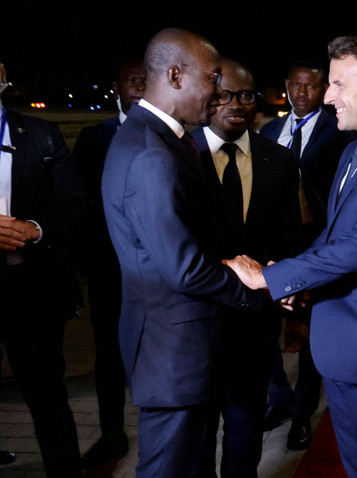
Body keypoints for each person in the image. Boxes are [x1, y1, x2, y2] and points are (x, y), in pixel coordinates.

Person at [224, 34, 357, 478]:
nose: (327, 96)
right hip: (342, 342)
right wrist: (294, 283)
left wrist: (272, 278)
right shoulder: (354, 152)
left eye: (339, 84)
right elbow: (331, 237)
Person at [100, 29, 265, 477]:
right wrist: (257, 287)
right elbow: (186, 270)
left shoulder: (157, 138)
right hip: (175, 354)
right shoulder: (153, 153)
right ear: (175, 75)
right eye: (212, 79)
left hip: (181, 349)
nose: (217, 94)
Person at [192, 57, 302, 477]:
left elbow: (290, 240)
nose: (235, 104)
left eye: (246, 95)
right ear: (207, 97)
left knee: (245, 424)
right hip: (198, 319)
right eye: (222, 95)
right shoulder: (181, 155)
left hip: (256, 320)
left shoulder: (280, 160)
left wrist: (296, 314)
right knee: (198, 430)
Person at [259, 63, 356, 449]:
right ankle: (278, 397)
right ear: (286, 87)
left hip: (314, 246)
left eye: (311, 86)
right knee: (266, 332)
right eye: (295, 85)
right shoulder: (268, 131)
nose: (302, 92)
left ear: (323, 90)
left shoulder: (339, 133)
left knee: (311, 337)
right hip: (271, 248)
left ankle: (302, 414)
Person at [0, 58, 89, 475]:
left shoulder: (41, 133)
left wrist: (32, 229)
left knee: (47, 394)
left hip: (29, 291)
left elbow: (77, 207)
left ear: (2, 74)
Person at [71, 58, 145, 469]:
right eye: (130, 81)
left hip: (153, 270)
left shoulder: (172, 136)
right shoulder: (93, 138)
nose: (137, 86)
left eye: (142, 80)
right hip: (108, 271)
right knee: (108, 358)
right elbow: (82, 207)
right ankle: (112, 434)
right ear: (116, 88)